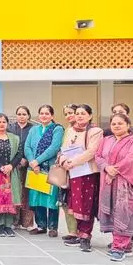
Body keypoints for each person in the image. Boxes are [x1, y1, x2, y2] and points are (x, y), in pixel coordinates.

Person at [96, 114, 133, 261]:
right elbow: (98, 156)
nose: (116, 126)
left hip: (127, 183)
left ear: (128, 125)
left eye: (120, 123)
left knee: (125, 212)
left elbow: (132, 159)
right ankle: (125, 244)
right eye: (114, 124)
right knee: (112, 212)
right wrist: (106, 167)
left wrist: (114, 170)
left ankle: (119, 247)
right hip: (109, 182)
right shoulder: (106, 140)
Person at [57, 104, 103, 252]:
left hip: (87, 173)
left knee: (86, 204)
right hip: (73, 173)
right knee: (74, 203)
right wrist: (64, 162)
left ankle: (85, 235)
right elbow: (63, 149)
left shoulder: (95, 131)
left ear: (90, 116)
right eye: (77, 113)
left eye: (83, 113)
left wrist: (73, 162)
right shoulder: (70, 130)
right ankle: (77, 233)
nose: (80, 116)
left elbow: (91, 152)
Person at [24, 105, 64, 237]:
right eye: (41, 113)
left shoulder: (57, 129)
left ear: (52, 116)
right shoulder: (34, 129)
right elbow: (27, 147)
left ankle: (53, 227)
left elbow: (54, 148)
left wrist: (38, 161)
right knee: (37, 197)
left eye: (47, 113)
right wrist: (32, 162)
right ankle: (41, 225)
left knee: (51, 198)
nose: (44, 116)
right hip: (35, 169)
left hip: (50, 168)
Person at [9, 106, 35, 229]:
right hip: (14, 165)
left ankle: (27, 222)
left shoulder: (33, 129)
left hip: (29, 165)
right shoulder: (10, 128)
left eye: (24, 114)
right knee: (15, 192)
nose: (21, 116)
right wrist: (16, 160)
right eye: (19, 114)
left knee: (27, 193)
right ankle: (14, 220)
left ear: (28, 116)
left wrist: (27, 159)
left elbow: (34, 146)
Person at [60, 104, 79, 243]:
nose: (68, 116)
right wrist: (62, 161)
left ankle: (82, 232)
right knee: (66, 201)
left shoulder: (88, 130)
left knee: (79, 201)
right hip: (67, 169)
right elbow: (62, 149)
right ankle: (72, 231)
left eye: (71, 113)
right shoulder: (67, 130)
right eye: (66, 114)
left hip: (81, 170)